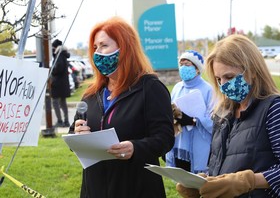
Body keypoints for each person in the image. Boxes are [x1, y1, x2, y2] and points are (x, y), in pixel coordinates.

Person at [69, 17, 175, 198]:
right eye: (95, 47)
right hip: (94, 188)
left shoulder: (150, 88)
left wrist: (135, 148)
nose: (98, 53)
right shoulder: (91, 93)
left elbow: (165, 139)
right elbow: (73, 133)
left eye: (104, 45)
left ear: (125, 47)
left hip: (136, 187)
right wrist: (77, 133)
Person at [176, 34, 280, 198]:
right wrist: (206, 183)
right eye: (218, 79)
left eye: (229, 77)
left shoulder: (275, 109)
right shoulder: (222, 114)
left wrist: (246, 181)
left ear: (252, 70)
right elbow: (221, 165)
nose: (223, 85)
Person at [165, 50, 213, 173]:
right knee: (182, 182)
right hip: (180, 144)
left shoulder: (208, 89)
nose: (183, 68)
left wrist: (193, 121)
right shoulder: (177, 87)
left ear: (197, 69)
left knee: (199, 183)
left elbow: (214, 121)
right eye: (181, 65)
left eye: (187, 65)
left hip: (199, 143)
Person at [51, 39, 71, 127]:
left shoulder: (59, 56)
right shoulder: (64, 55)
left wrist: (51, 71)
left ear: (55, 47)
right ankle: (66, 121)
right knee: (63, 102)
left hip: (57, 83)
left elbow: (58, 69)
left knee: (55, 102)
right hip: (63, 83)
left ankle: (60, 121)